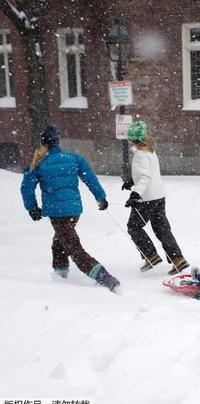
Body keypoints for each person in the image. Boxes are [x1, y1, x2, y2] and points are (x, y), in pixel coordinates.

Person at [20, 124, 120, 292]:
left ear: (44, 144)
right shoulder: (73, 158)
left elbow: (26, 188)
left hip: (58, 213)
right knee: (59, 243)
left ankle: (104, 277)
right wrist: (100, 196)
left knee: (74, 248)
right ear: (57, 142)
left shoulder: (39, 164)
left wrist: (32, 208)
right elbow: (90, 178)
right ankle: (61, 278)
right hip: (74, 210)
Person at [123, 120, 190, 275]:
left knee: (133, 227)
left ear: (133, 138)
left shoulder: (139, 154)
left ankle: (150, 255)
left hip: (146, 198)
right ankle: (178, 259)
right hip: (158, 196)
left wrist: (135, 193)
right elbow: (148, 173)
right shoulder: (150, 151)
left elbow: (145, 176)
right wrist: (131, 181)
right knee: (162, 229)